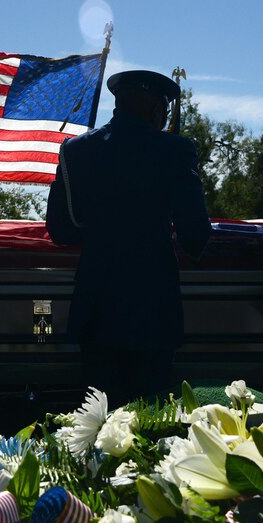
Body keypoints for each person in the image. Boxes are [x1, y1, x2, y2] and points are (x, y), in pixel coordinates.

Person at [46, 70, 212, 405]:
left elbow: (62, 230)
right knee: (150, 425)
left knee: (99, 427)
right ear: (155, 111)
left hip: (96, 309)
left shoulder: (76, 150)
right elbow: (195, 233)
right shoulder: (175, 150)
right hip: (152, 308)